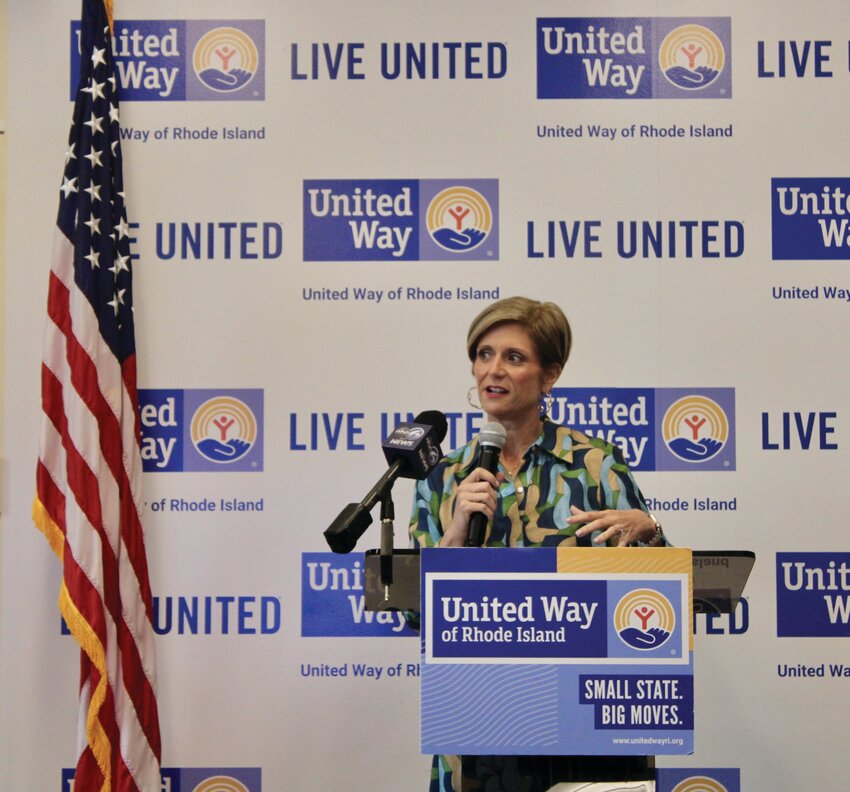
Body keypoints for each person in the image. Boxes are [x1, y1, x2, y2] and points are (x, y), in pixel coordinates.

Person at [408, 296, 665, 792]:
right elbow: (416, 616)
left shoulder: (596, 464)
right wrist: (456, 536)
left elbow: (657, 593)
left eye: (514, 357)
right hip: (476, 725)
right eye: (484, 354)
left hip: (582, 721)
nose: (493, 370)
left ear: (549, 376)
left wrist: (648, 528)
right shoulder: (442, 477)